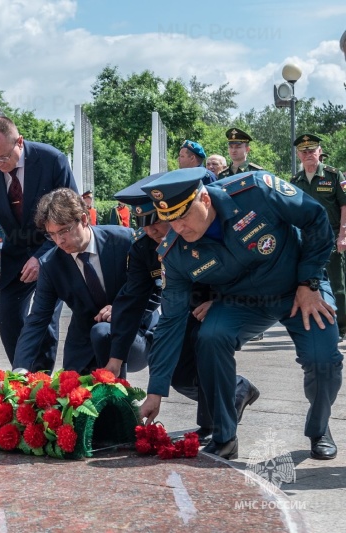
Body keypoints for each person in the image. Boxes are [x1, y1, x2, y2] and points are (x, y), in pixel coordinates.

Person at [139, 167, 342, 460]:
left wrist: (309, 280)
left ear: (204, 199)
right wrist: (155, 391)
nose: (178, 228)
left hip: (299, 288)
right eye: (170, 220)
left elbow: (315, 218)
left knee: (323, 360)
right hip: (243, 301)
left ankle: (319, 427)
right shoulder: (175, 252)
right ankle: (225, 436)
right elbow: (170, 321)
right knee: (210, 337)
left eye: (183, 216)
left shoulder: (256, 190)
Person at [101, 173, 259, 443]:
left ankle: (214, 424)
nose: (152, 232)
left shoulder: (197, 231)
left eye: (157, 224)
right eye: (144, 226)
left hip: (220, 304)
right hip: (179, 312)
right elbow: (132, 301)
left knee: (205, 345)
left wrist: (221, 300)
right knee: (177, 373)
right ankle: (235, 389)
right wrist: (116, 358)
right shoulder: (143, 248)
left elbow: (239, 269)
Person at [0, 116, 76, 372]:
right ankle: (22, 376)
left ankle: (42, 381)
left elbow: (70, 214)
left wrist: (42, 256)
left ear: (20, 142)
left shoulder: (52, 161)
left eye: (3, 157)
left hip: (54, 249)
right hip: (15, 253)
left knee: (45, 317)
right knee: (8, 318)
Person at [12, 188, 135, 374]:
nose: (59, 240)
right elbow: (37, 319)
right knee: (71, 392)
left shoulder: (124, 241)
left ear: (84, 219)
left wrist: (122, 308)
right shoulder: (51, 264)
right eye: (51, 234)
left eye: (64, 231)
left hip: (134, 328)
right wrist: (19, 369)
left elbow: (153, 288)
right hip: (84, 337)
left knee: (104, 338)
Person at [291, 134, 346, 340]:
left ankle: (341, 327)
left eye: (312, 150)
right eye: (303, 152)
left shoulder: (333, 175)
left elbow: (344, 205)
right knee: (308, 281)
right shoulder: (295, 180)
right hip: (306, 238)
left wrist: (343, 235)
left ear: (319, 152)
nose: (308, 154)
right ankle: (314, 322)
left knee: (337, 284)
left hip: (331, 235)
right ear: (298, 155)